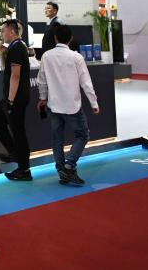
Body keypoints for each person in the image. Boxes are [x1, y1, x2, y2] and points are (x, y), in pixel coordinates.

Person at [37, 25, 99, 185]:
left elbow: (41, 80)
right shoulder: (76, 57)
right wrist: (93, 102)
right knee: (83, 135)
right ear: (70, 38)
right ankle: (69, 165)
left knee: (57, 139)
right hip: (72, 105)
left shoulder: (46, 56)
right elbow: (86, 82)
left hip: (54, 104)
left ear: (55, 38)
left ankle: (62, 171)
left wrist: (43, 98)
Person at [0, 19, 32, 181]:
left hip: (15, 99)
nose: (2, 34)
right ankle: (16, 155)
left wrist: (10, 101)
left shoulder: (17, 48)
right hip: (13, 98)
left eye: (4, 30)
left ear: (12, 32)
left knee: (18, 132)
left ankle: (24, 169)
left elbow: (15, 76)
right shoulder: (14, 47)